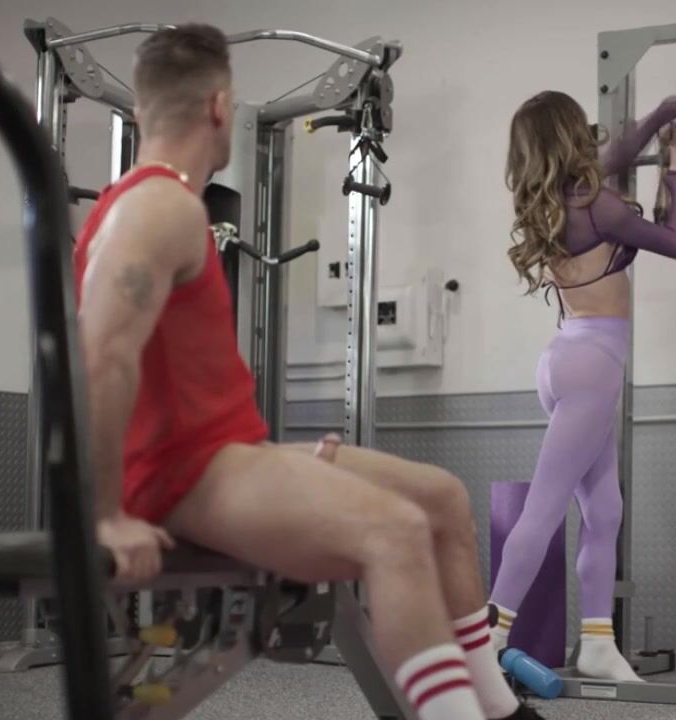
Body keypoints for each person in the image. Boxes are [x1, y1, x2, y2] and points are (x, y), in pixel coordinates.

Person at [74, 25, 544, 720]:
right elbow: (101, 354)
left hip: (226, 456)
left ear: (142, 111)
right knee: (395, 532)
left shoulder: (158, 202)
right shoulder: (158, 206)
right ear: (220, 107)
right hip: (186, 475)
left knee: (441, 499)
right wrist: (106, 514)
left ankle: (498, 710)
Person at [489, 90, 676, 682]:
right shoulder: (600, 207)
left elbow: (616, 155)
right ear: (571, 136)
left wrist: (662, 116)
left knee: (604, 509)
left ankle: (597, 643)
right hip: (592, 367)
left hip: (567, 358)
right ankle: (489, 639)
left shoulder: (550, 202)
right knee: (543, 511)